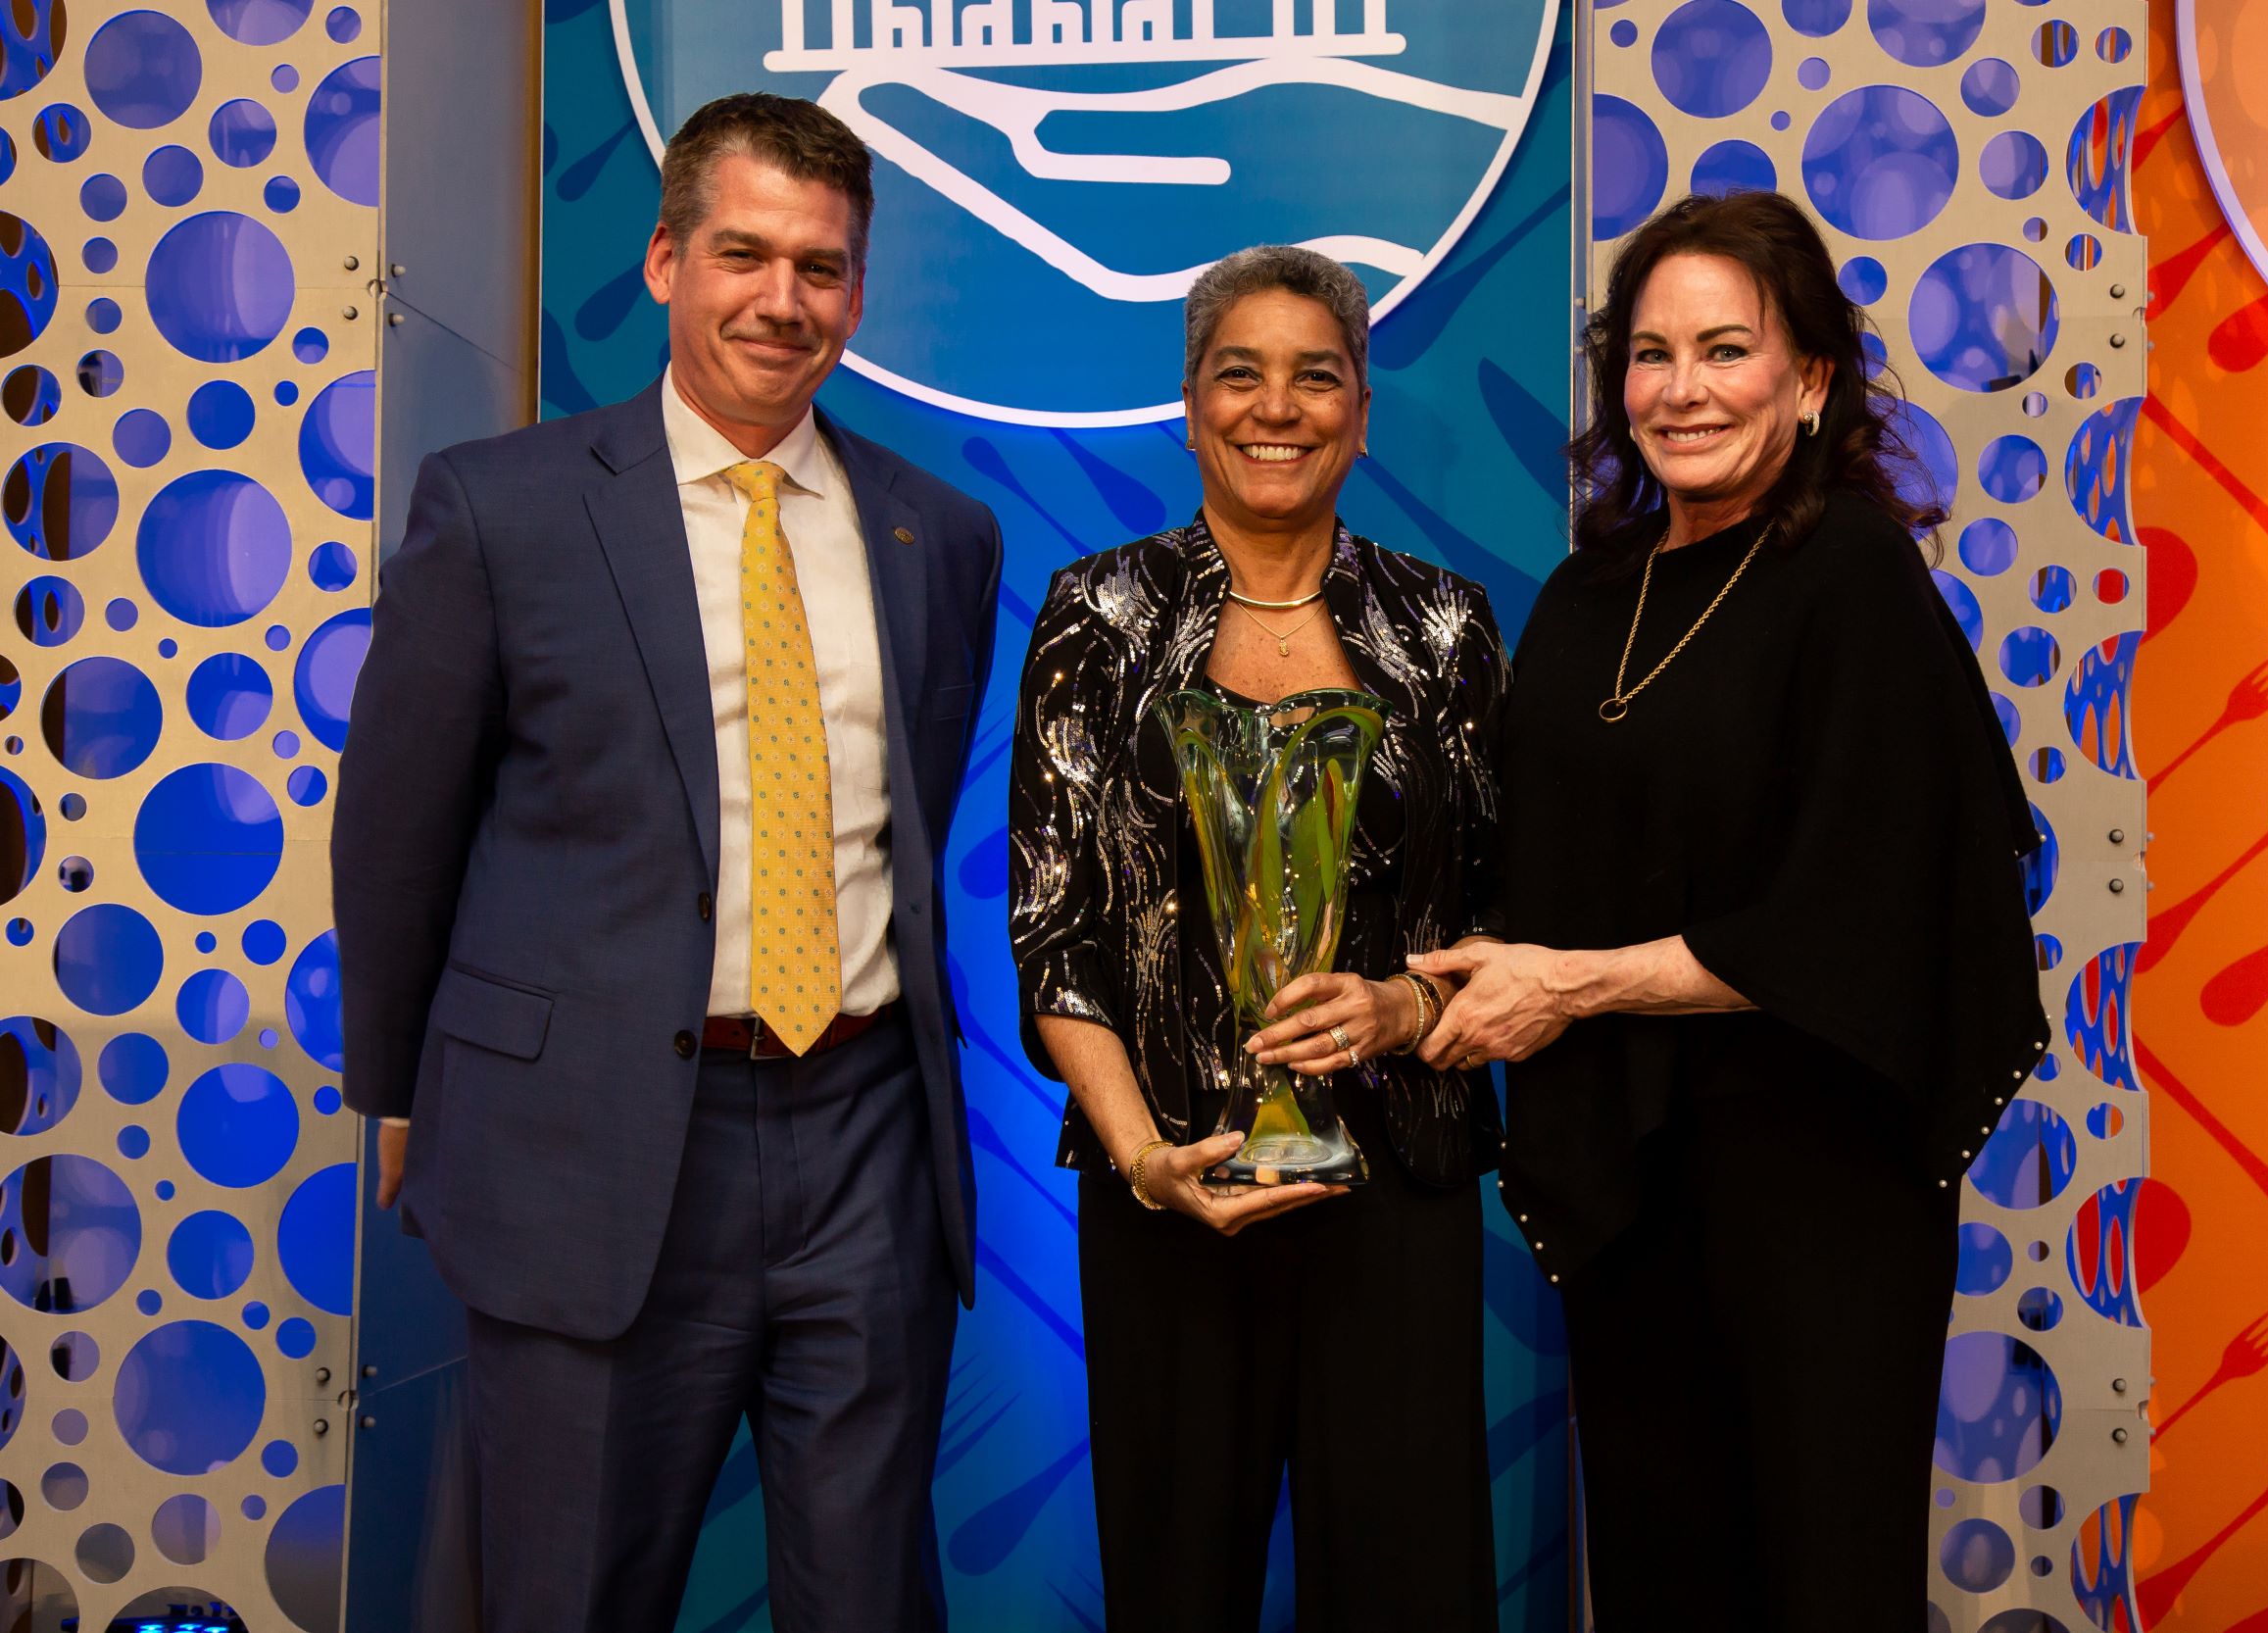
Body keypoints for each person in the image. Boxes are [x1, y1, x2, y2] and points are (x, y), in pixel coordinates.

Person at [333, 93, 1002, 1632]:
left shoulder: (938, 533)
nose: (784, 301)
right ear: (662, 263)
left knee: (869, 1604)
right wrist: (399, 1085)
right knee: (564, 1594)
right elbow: (396, 821)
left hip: (864, 1145)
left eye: (822, 268)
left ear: (859, 286)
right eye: (745, 254)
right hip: (593, 1146)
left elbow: (905, 819)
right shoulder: (501, 508)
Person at [1412, 190, 2046, 1628]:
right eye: (1649, 353)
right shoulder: (1585, 596)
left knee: (1822, 1571)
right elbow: (1533, 876)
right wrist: (1431, 987)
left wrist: (1573, 987)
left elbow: (1863, 903)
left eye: (1724, 348)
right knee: (1657, 1571)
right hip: (1633, 1178)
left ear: (1811, 377)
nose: (1681, 389)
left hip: (1819, 1181)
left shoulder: (1855, 576)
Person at [1010, 245, 1505, 1632]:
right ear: (1188, 405)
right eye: (1240, 374)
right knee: (1176, 1588)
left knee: (1413, 1592)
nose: (1274, 407)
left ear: (1360, 410)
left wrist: (1407, 1009)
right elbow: (1054, 929)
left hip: (1398, 1192)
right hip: (1170, 1187)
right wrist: (1140, 1155)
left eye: (1314, 376)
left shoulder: (1445, 626)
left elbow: (1502, 918)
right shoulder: (1096, 618)